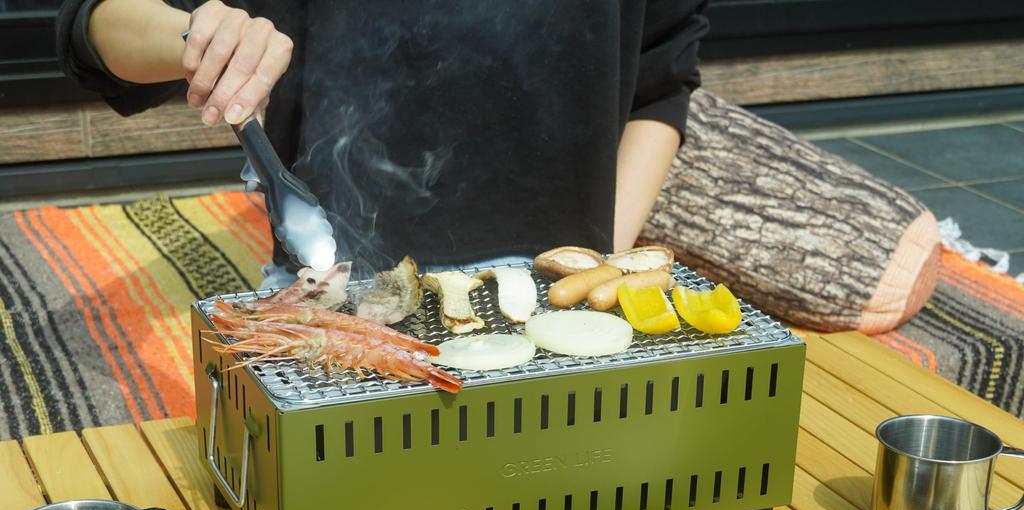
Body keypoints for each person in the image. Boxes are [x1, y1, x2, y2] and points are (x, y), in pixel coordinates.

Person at [57, 0, 708, 281]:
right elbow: (93, 27)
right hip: (337, 299)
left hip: (560, 303)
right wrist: (202, 37)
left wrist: (600, 264)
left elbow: (660, 80)